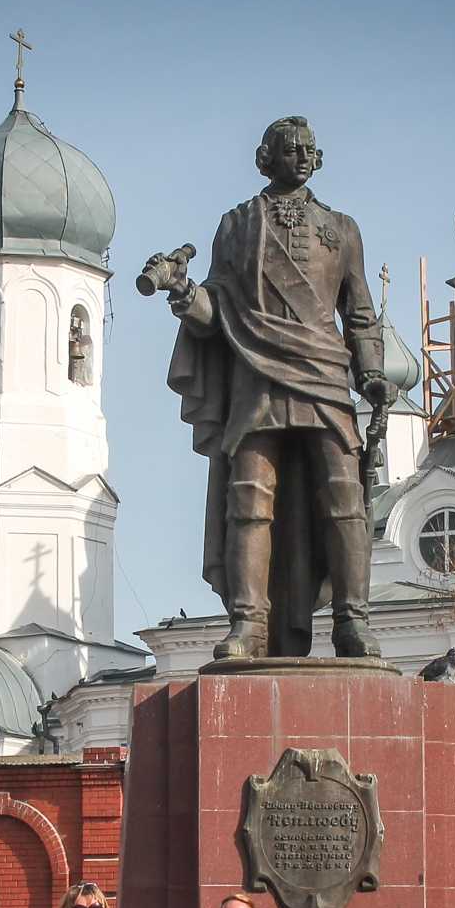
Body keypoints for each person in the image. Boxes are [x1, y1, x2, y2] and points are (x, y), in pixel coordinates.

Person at [150, 115, 392, 660]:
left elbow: (360, 313)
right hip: (257, 371)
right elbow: (217, 312)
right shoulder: (236, 225)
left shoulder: (343, 229)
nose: (301, 156)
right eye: (289, 149)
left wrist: (371, 372)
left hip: (326, 373)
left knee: (344, 497)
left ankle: (353, 623)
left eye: (309, 149)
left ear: (319, 158)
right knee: (249, 498)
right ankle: (249, 625)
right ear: (266, 158)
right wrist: (184, 291)